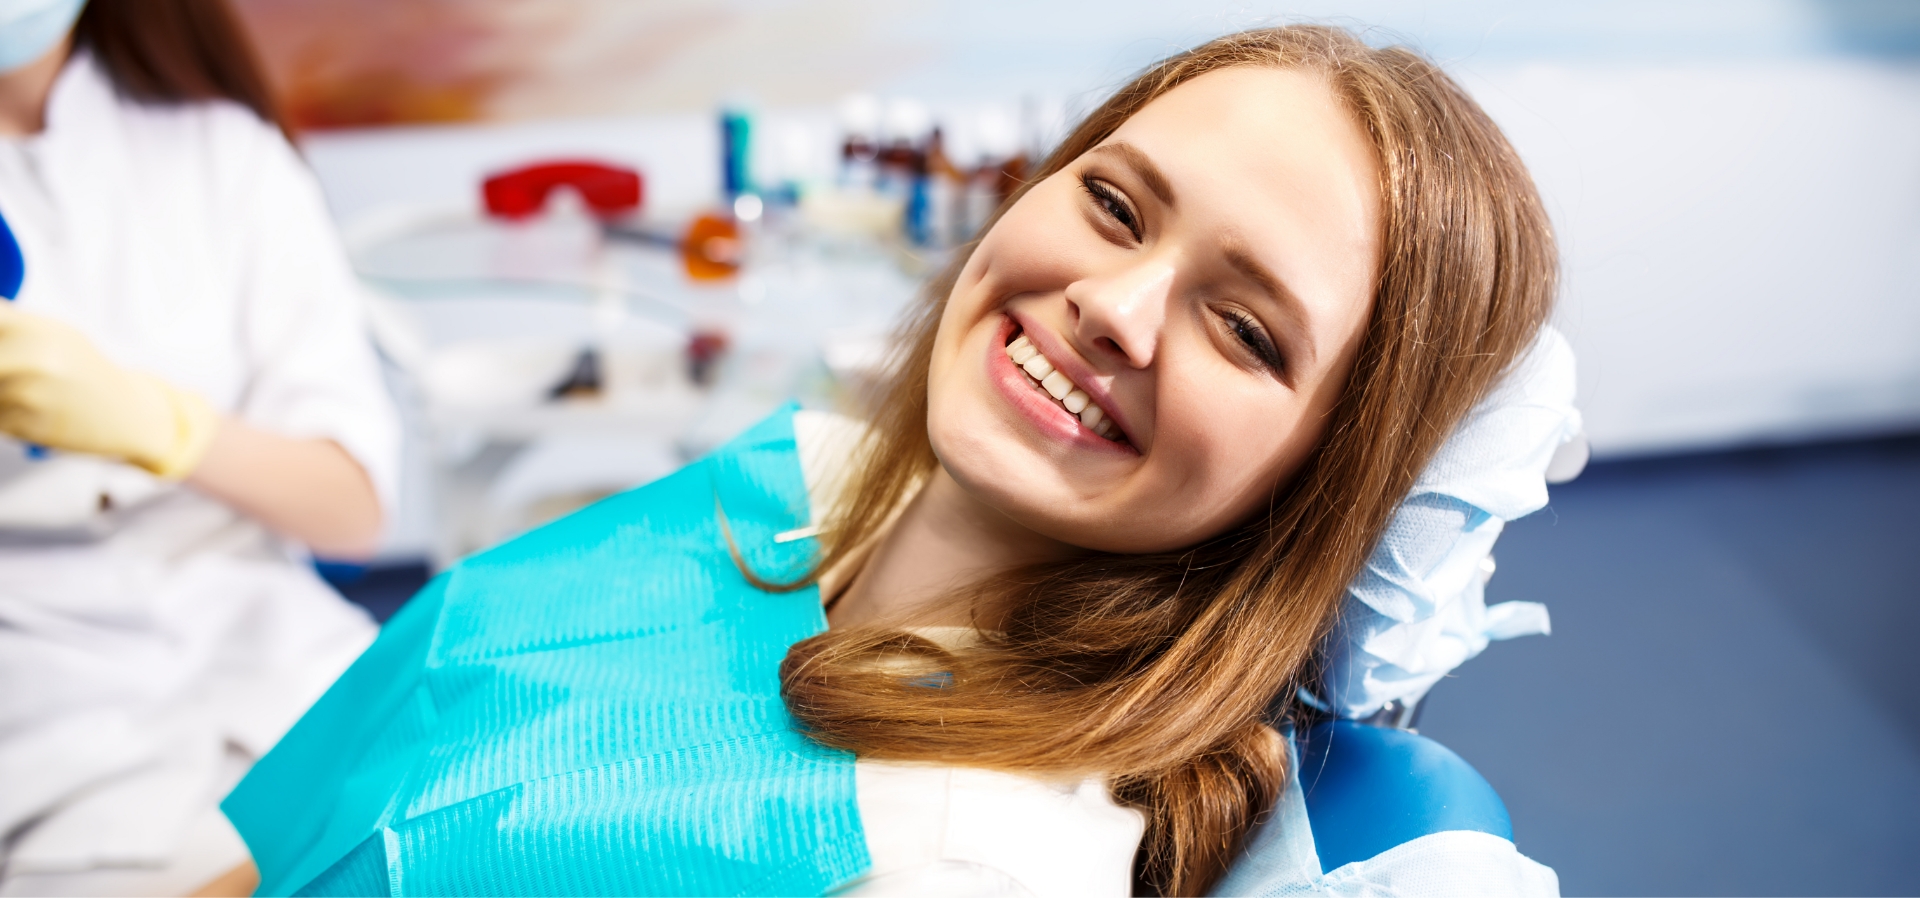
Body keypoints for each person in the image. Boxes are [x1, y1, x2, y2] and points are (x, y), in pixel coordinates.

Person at [221, 24, 1557, 898]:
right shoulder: (802, 475)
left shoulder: (960, 863)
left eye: (1246, 328)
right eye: (1113, 203)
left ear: (1326, 480)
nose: (1114, 306)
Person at [0, 1, 399, 895]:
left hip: (295, 674)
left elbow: (352, 509)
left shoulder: (224, 153)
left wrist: (163, 426)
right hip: (50, 744)